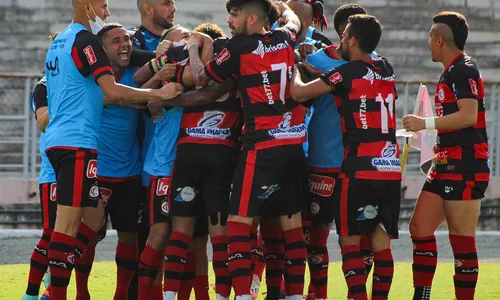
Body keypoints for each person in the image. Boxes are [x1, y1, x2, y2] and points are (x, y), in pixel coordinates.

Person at [43, 1, 182, 299]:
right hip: (77, 141)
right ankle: (54, 292)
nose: (106, 12)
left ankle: (57, 284)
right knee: (67, 227)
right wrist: (159, 92)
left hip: (63, 141)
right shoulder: (86, 40)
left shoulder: (61, 41)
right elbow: (112, 91)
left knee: (91, 222)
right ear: (84, 4)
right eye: (103, 5)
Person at [186, 1, 309, 300]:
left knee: (238, 223)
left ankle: (241, 295)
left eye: (235, 14)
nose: (229, 20)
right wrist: (280, 6)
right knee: (291, 225)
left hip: (262, 145)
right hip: (293, 142)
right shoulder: (284, 37)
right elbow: (293, 19)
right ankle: (293, 296)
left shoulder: (239, 46)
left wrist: (193, 47)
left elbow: (202, 79)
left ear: (252, 17)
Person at [291, 14, 401, 300]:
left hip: (358, 164)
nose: (340, 38)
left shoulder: (348, 71)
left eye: (345, 35)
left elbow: (299, 93)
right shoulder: (385, 67)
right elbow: (347, 83)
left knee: (347, 237)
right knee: (378, 235)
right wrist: (318, 71)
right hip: (389, 165)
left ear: (351, 39)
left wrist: (294, 68)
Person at [402, 12, 488, 300]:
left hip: (464, 165)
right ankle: (422, 296)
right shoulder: (450, 71)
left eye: (430, 37)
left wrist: (423, 123)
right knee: (419, 227)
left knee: (461, 240)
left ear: (440, 39)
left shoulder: (464, 69)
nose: (427, 42)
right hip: (443, 162)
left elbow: (468, 116)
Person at [157, 25, 242, 300]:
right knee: (218, 233)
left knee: (183, 232)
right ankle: (221, 296)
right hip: (220, 154)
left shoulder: (188, 69)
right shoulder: (233, 68)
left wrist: (160, 100)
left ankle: (170, 295)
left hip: (191, 154)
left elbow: (203, 86)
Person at [129, 2, 177, 298]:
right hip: (140, 152)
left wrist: (173, 52)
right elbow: (121, 56)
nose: (173, 6)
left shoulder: (175, 41)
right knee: (142, 235)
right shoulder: (131, 39)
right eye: (165, 2)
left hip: (165, 152)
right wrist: (159, 59)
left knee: (172, 235)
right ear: (147, 6)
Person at [95, 23, 146, 300]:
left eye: (127, 39)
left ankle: (121, 295)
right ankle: (80, 293)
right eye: (116, 40)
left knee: (129, 237)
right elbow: (109, 97)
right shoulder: (93, 77)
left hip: (131, 173)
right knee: (90, 236)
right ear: (101, 50)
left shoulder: (136, 75)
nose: (124, 44)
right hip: (99, 173)